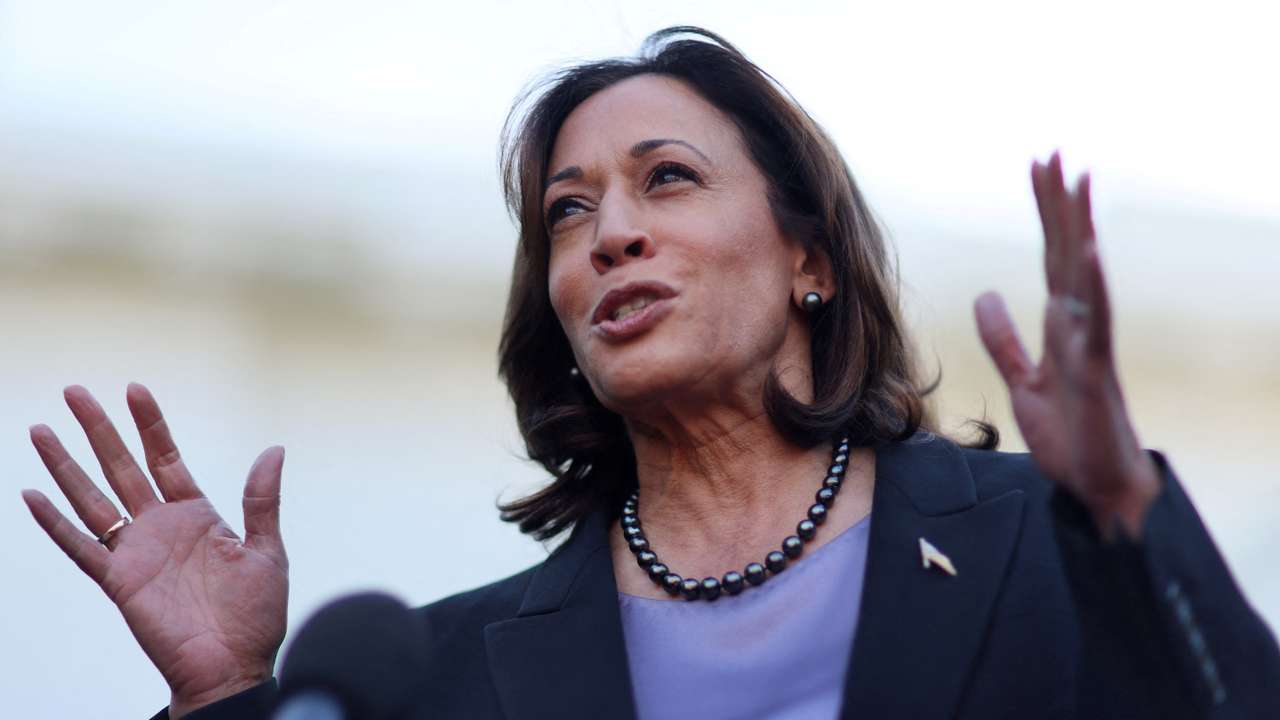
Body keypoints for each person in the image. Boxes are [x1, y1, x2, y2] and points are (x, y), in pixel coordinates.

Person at [20, 26, 1279, 720]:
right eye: (568, 214)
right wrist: (228, 695)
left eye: (665, 179)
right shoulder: (447, 671)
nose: (610, 230)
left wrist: (1121, 515)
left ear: (810, 260)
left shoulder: (1030, 546)